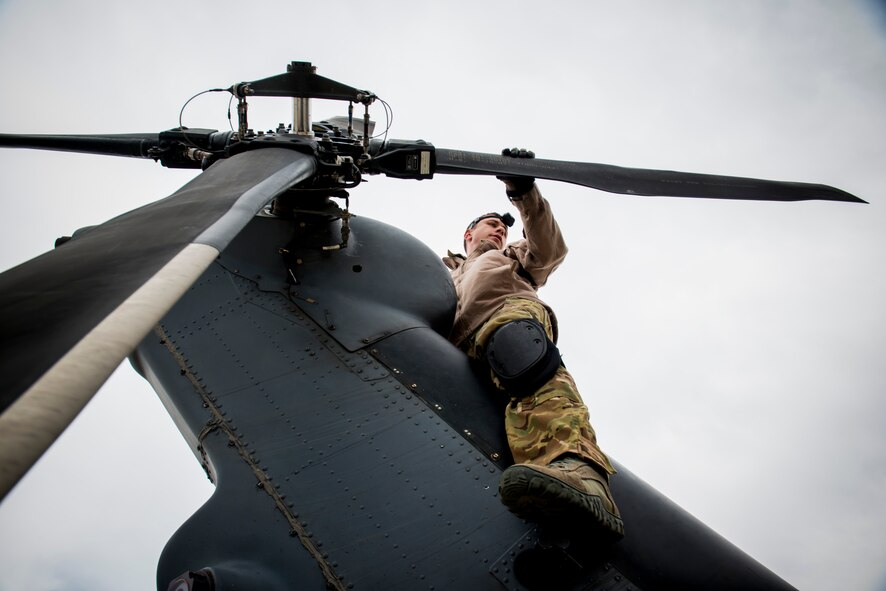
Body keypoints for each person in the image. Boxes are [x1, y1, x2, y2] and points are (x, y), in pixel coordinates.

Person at [442, 149, 623, 537]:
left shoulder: (513, 257)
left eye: (503, 228)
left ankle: (582, 475)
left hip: (504, 318)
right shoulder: (440, 273)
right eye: (490, 225)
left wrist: (523, 191)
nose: (499, 231)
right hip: (454, 348)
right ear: (467, 234)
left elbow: (549, 248)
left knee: (523, 360)